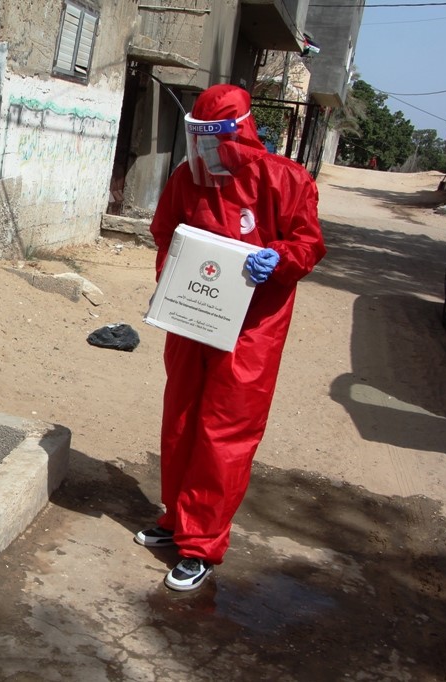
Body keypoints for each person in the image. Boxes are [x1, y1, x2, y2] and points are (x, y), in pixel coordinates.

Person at [137, 84, 326, 591]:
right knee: (181, 418)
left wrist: (279, 259)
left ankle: (200, 544)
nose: (208, 148)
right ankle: (176, 518)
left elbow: (308, 243)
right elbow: (165, 231)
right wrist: (175, 280)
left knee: (225, 431)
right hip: (194, 319)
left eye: (216, 137)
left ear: (240, 131)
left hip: (252, 329)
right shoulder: (188, 177)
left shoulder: (287, 179)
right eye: (200, 137)